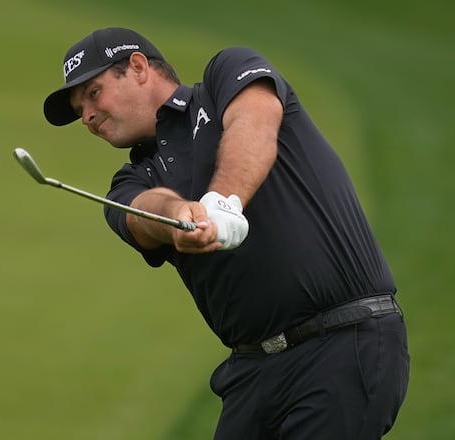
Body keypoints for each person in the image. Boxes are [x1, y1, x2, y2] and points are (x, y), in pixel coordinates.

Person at [41, 27, 409, 439]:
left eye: (93, 93)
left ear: (139, 67)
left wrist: (221, 201)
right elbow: (141, 214)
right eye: (79, 110)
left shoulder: (224, 78)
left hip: (343, 340)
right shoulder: (129, 181)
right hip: (253, 371)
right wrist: (177, 213)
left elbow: (255, 121)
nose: (87, 117)